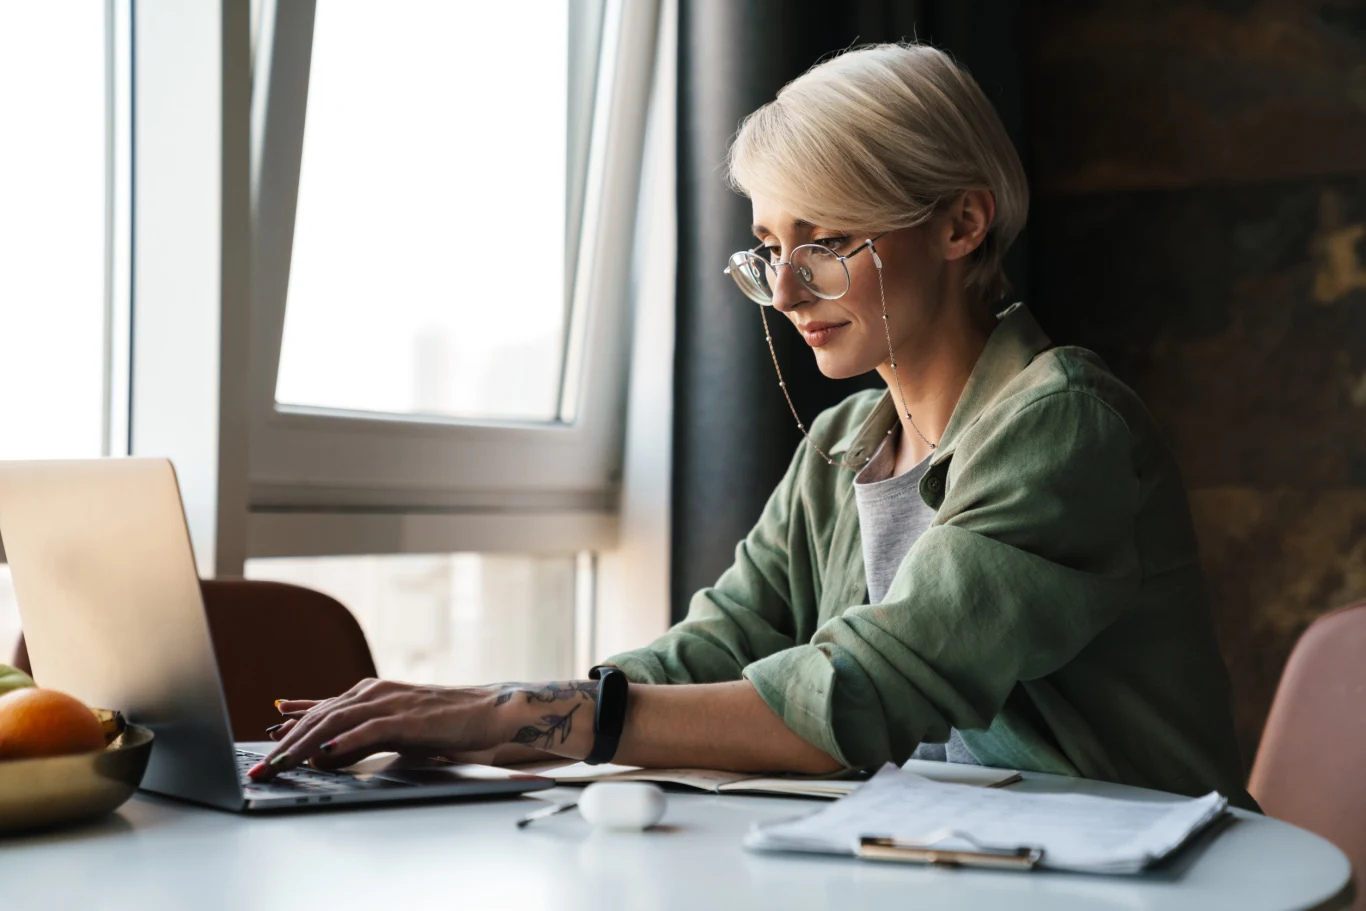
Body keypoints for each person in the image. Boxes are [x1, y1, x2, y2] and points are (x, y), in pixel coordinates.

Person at [249, 43, 1256, 810]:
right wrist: (470, 714)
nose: (783, 291)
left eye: (822, 243)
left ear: (960, 224)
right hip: (951, 860)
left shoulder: (1061, 422)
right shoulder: (842, 445)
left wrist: (510, 717)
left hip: (1142, 879)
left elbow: (857, 696)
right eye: (769, 248)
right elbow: (712, 649)